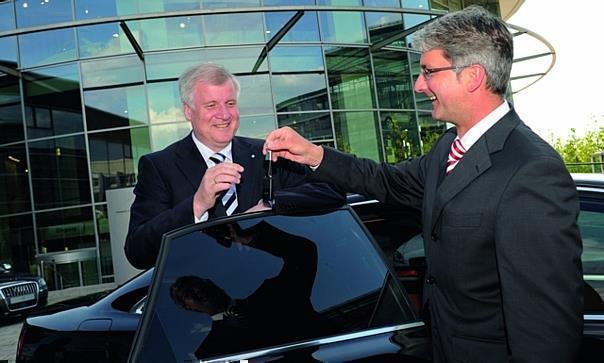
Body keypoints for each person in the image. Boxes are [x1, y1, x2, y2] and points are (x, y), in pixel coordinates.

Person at [263, 5, 583, 363]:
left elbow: (545, 329)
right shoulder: (448, 147)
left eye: (429, 72)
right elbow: (388, 181)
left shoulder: (531, 172)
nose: (418, 85)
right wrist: (312, 154)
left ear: (473, 76)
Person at [125, 63, 344, 270]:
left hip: (273, 289)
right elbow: (138, 252)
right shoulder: (159, 166)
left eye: (230, 103)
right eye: (211, 105)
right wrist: (197, 204)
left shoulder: (267, 153)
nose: (224, 114)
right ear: (188, 111)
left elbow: (332, 191)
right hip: (200, 302)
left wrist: (270, 204)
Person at [169, 221, 325, 359]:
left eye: (198, 283)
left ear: (212, 283)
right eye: (186, 293)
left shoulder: (276, 293)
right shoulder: (211, 353)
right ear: (187, 307)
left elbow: (303, 252)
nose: (197, 290)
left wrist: (249, 238)